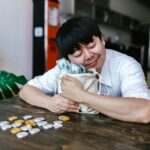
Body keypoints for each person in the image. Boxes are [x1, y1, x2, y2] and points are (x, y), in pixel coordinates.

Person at [19, 17, 150, 123]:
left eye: (92, 45)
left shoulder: (126, 65)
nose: (88, 56)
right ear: (68, 59)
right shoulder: (67, 68)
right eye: (77, 54)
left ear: (102, 40)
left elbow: (144, 112)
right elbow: (26, 90)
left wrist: (82, 96)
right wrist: (49, 102)